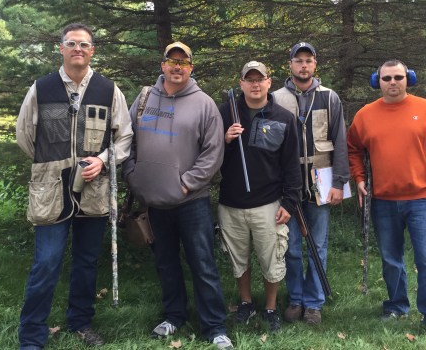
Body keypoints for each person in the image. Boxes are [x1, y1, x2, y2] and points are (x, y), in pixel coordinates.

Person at [16, 23, 134, 349]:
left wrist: (105, 160)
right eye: (72, 43)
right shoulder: (41, 88)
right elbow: (25, 135)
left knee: (85, 262)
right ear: (62, 48)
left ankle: (80, 322)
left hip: (93, 191)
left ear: (92, 50)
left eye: (84, 44)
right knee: (46, 263)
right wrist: (50, 163)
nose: (78, 49)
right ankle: (32, 335)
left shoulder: (109, 90)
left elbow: (124, 136)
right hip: (51, 192)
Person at [122, 42, 233, 350]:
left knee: (203, 263)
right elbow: (126, 139)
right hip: (154, 202)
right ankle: (175, 315)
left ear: (190, 68)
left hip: (191, 202)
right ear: (163, 65)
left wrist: (187, 184)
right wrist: (132, 175)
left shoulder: (204, 104)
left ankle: (215, 326)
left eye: (183, 62)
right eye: (172, 60)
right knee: (166, 263)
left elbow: (213, 152)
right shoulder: (145, 98)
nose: (177, 66)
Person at [347, 59, 426, 344]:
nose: (393, 82)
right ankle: (397, 305)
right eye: (387, 78)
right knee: (391, 260)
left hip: (422, 199)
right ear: (378, 81)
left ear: (409, 78)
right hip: (383, 201)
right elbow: (352, 149)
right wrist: (359, 178)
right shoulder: (365, 115)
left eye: (399, 77)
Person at [218, 61, 302, 333]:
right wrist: (225, 140)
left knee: (272, 259)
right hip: (231, 203)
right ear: (241, 83)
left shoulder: (283, 118)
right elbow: (208, 158)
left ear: (269, 81)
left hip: (269, 203)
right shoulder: (224, 114)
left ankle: (270, 306)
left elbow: (291, 164)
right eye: (249, 79)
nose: (255, 84)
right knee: (238, 259)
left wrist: (290, 202)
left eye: (260, 79)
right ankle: (245, 302)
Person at [272, 42, 350, 325]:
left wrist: (340, 182)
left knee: (318, 244)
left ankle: (314, 303)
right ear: (290, 65)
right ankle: (295, 299)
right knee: (291, 246)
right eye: (298, 61)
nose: (303, 65)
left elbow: (340, 141)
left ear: (315, 64)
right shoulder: (276, 98)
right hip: (287, 186)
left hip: (321, 182)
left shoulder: (329, 98)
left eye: (308, 60)